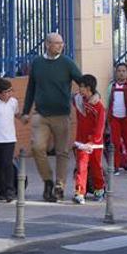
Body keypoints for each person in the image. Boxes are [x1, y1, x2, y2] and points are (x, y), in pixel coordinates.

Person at [21, 33, 83, 202]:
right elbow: (31, 88)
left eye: (61, 44)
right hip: (40, 114)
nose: (60, 46)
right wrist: (26, 111)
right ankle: (48, 180)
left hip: (62, 114)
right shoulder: (37, 63)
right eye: (56, 44)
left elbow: (81, 80)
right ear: (47, 44)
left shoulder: (67, 63)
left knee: (62, 151)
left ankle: (59, 185)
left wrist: (90, 94)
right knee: (37, 147)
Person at [72, 74, 106, 204]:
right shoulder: (79, 101)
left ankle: (99, 189)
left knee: (96, 167)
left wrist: (93, 141)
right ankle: (80, 192)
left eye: (81, 87)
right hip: (81, 142)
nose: (79, 90)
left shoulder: (99, 107)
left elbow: (100, 127)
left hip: (95, 144)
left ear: (88, 88)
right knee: (81, 167)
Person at [107, 63, 127, 174]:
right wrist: (108, 118)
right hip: (114, 118)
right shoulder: (111, 86)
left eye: (124, 71)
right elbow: (108, 102)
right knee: (114, 142)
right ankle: (116, 165)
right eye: (119, 71)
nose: (121, 73)